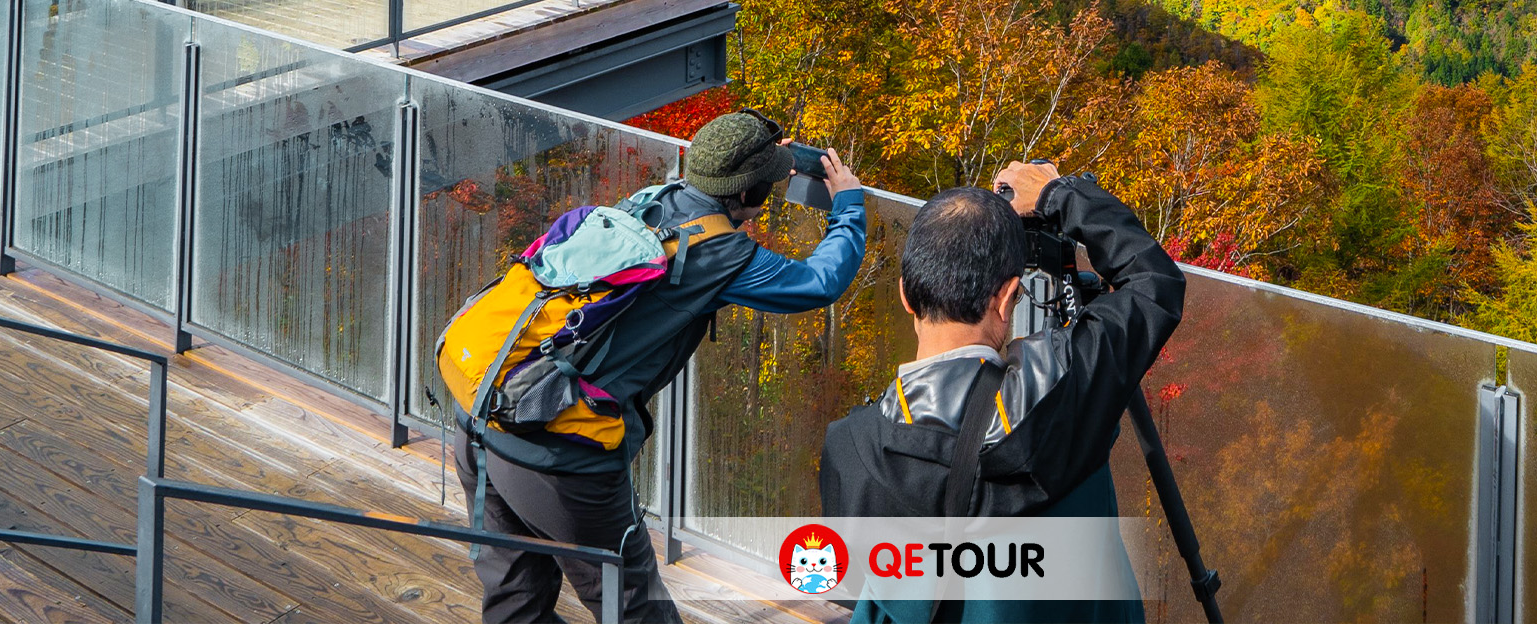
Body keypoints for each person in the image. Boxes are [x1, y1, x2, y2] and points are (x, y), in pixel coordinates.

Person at [456, 109, 869, 624]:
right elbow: (820, 282)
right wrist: (849, 204)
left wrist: (755, 157)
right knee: (636, 609)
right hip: (558, 456)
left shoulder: (651, 200)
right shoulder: (719, 251)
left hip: (483, 411)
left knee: (516, 601)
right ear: (749, 192)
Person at [819, 163, 1186, 624]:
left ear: (906, 296)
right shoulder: (1063, 395)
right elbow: (1155, 285)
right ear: (1008, 297)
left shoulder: (849, 447)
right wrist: (1058, 195)